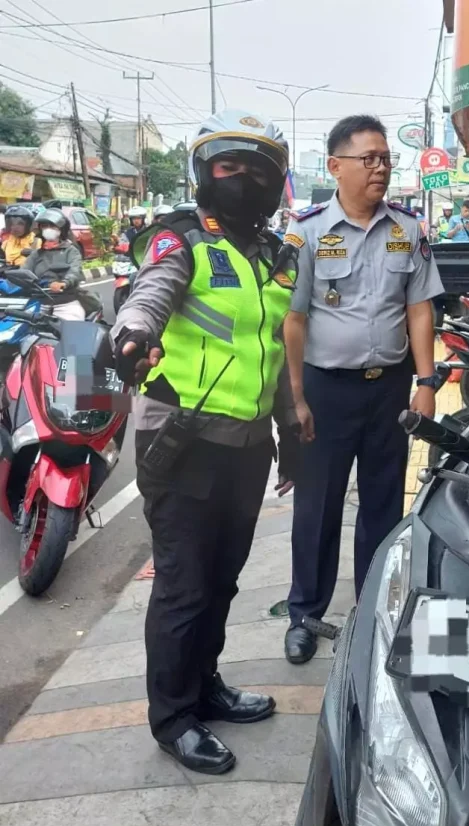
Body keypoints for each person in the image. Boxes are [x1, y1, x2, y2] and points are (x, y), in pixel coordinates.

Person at [110, 108, 300, 775]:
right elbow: (149, 295)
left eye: (257, 169)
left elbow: (272, 350)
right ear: (203, 174)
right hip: (183, 441)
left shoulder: (278, 257)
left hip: (246, 447)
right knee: (184, 587)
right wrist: (131, 335)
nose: (242, 179)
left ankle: (207, 686)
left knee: (222, 580)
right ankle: (174, 718)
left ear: (277, 182)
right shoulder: (182, 239)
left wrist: (291, 430)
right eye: (228, 167)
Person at [282, 114, 444, 664]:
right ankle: (304, 613)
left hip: (388, 390)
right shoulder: (306, 233)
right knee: (318, 508)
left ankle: (375, 613)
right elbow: (294, 322)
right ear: (335, 166)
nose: (380, 168)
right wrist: (297, 397)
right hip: (327, 391)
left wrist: (426, 382)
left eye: (385, 159)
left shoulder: (408, 229)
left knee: (381, 506)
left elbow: (419, 309)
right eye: (368, 159)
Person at [25, 210, 85, 320]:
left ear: (61, 229)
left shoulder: (71, 251)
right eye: (44, 226)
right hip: (38, 304)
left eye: (52, 226)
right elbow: (24, 273)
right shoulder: (36, 254)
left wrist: (63, 283)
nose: (48, 229)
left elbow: (74, 271)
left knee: (71, 331)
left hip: (65, 304)